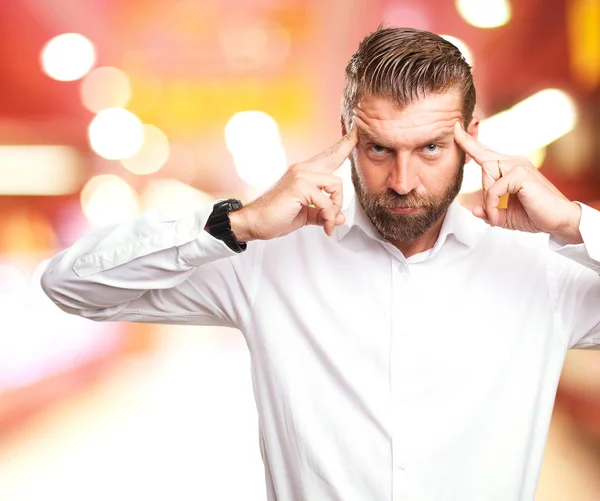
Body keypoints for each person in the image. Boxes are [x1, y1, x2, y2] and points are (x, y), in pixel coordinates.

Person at [41, 27, 600, 501]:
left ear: (472, 141)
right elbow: (70, 285)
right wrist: (236, 224)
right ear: (348, 139)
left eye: (430, 148)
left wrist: (577, 224)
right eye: (380, 148)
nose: (403, 181)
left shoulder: (545, 267)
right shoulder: (267, 257)